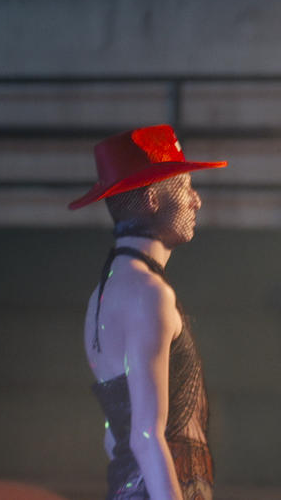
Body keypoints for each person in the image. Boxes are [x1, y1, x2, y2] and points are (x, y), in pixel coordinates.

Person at [69, 124, 227, 500]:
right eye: (186, 188)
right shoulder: (147, 293)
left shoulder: (104, 294)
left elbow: (115, 435)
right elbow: (145, 435)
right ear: (153, 200)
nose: (196, 201)